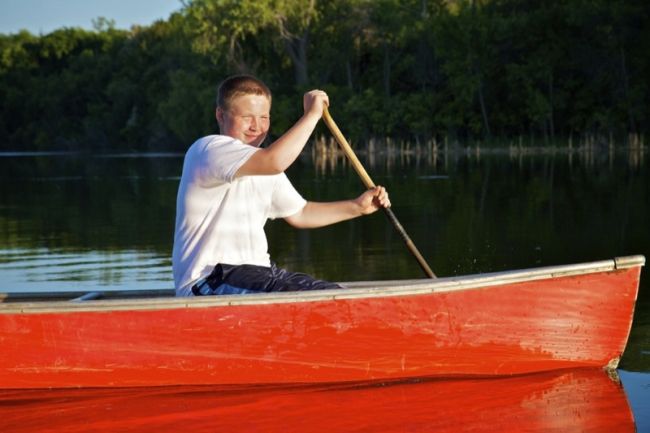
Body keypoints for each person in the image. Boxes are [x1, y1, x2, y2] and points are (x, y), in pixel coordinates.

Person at [172, 75, 390, 296]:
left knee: (332, 293)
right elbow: (274, 161)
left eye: (264, 117)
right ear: (221, 115)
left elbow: (301, 213)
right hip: (210, 282)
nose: (256, 126)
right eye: (247, 117)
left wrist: (358, 207)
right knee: (312, 299)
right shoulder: (208, 150)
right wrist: (312, 115)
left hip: (261, 275)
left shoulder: (265, 166)